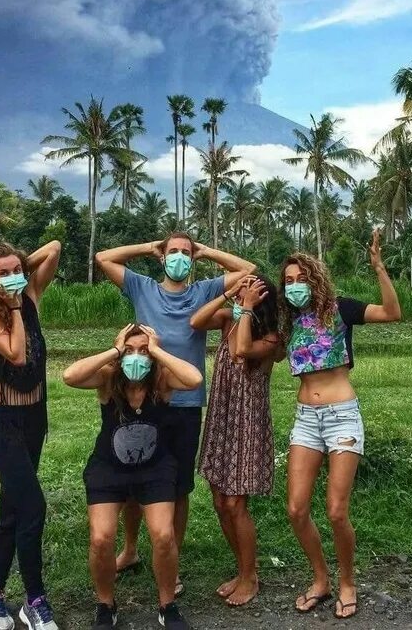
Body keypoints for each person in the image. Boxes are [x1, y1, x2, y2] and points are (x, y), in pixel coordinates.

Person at [95, 233, 255, 594]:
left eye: (186, 253)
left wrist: (206, 252)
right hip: (142, 398)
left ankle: (172, 560)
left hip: (184, 402)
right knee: (131, 476)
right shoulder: (142, 287)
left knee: (178, 486)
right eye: (173, 252)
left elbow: (248, 270)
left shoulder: (204, 291)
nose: (179, 258)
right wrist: (145, 247)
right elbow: (104, 257)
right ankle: (132, 550)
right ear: (163, 257)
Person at [280, 230, 400, 621]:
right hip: (305, 420)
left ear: (315, 279)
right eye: (289, 281)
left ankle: (347, 581)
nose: (295, 286)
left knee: (335, 511)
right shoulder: (289, 320)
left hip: (341, 416)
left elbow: (391, 313)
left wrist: (379, 269)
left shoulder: (340, 308)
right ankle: (321, 579)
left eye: (301, 279)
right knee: (297, 509)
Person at [63, 323, 203, 630]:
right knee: (101, 538)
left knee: (163, 536)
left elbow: (195, 379)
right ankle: (105, 604)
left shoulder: (161, 380)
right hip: (108, 468)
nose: (136, 357)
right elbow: (69, 376)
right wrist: (114, 351)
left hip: (155, 467)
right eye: (130, 350)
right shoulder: (108, 378)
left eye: (143, 350)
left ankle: (168, 605)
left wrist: (156, 351)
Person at [0, 240, 62, 630]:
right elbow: (17, 355)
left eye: (16, 271)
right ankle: (35, 600)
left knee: (12, 509)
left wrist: (19, 268)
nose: (11, 278)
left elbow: (55, 249)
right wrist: (11, 305)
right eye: (2, 274)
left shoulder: (31, 293)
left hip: (33, 419)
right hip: (2, 419)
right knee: (32, 507)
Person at [191, 274, 283, 607]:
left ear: (262, 298)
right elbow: (196, 320)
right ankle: (243, 569)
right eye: (241, 293)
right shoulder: (229, 319)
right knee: (219, 503)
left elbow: (243, 349)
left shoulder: (273, 337)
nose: (241, 298)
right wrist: (229, 295)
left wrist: (243, 308)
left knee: (235, 505)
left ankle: (250, 576)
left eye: (249, 292)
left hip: (247, 423)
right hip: (222, 416)